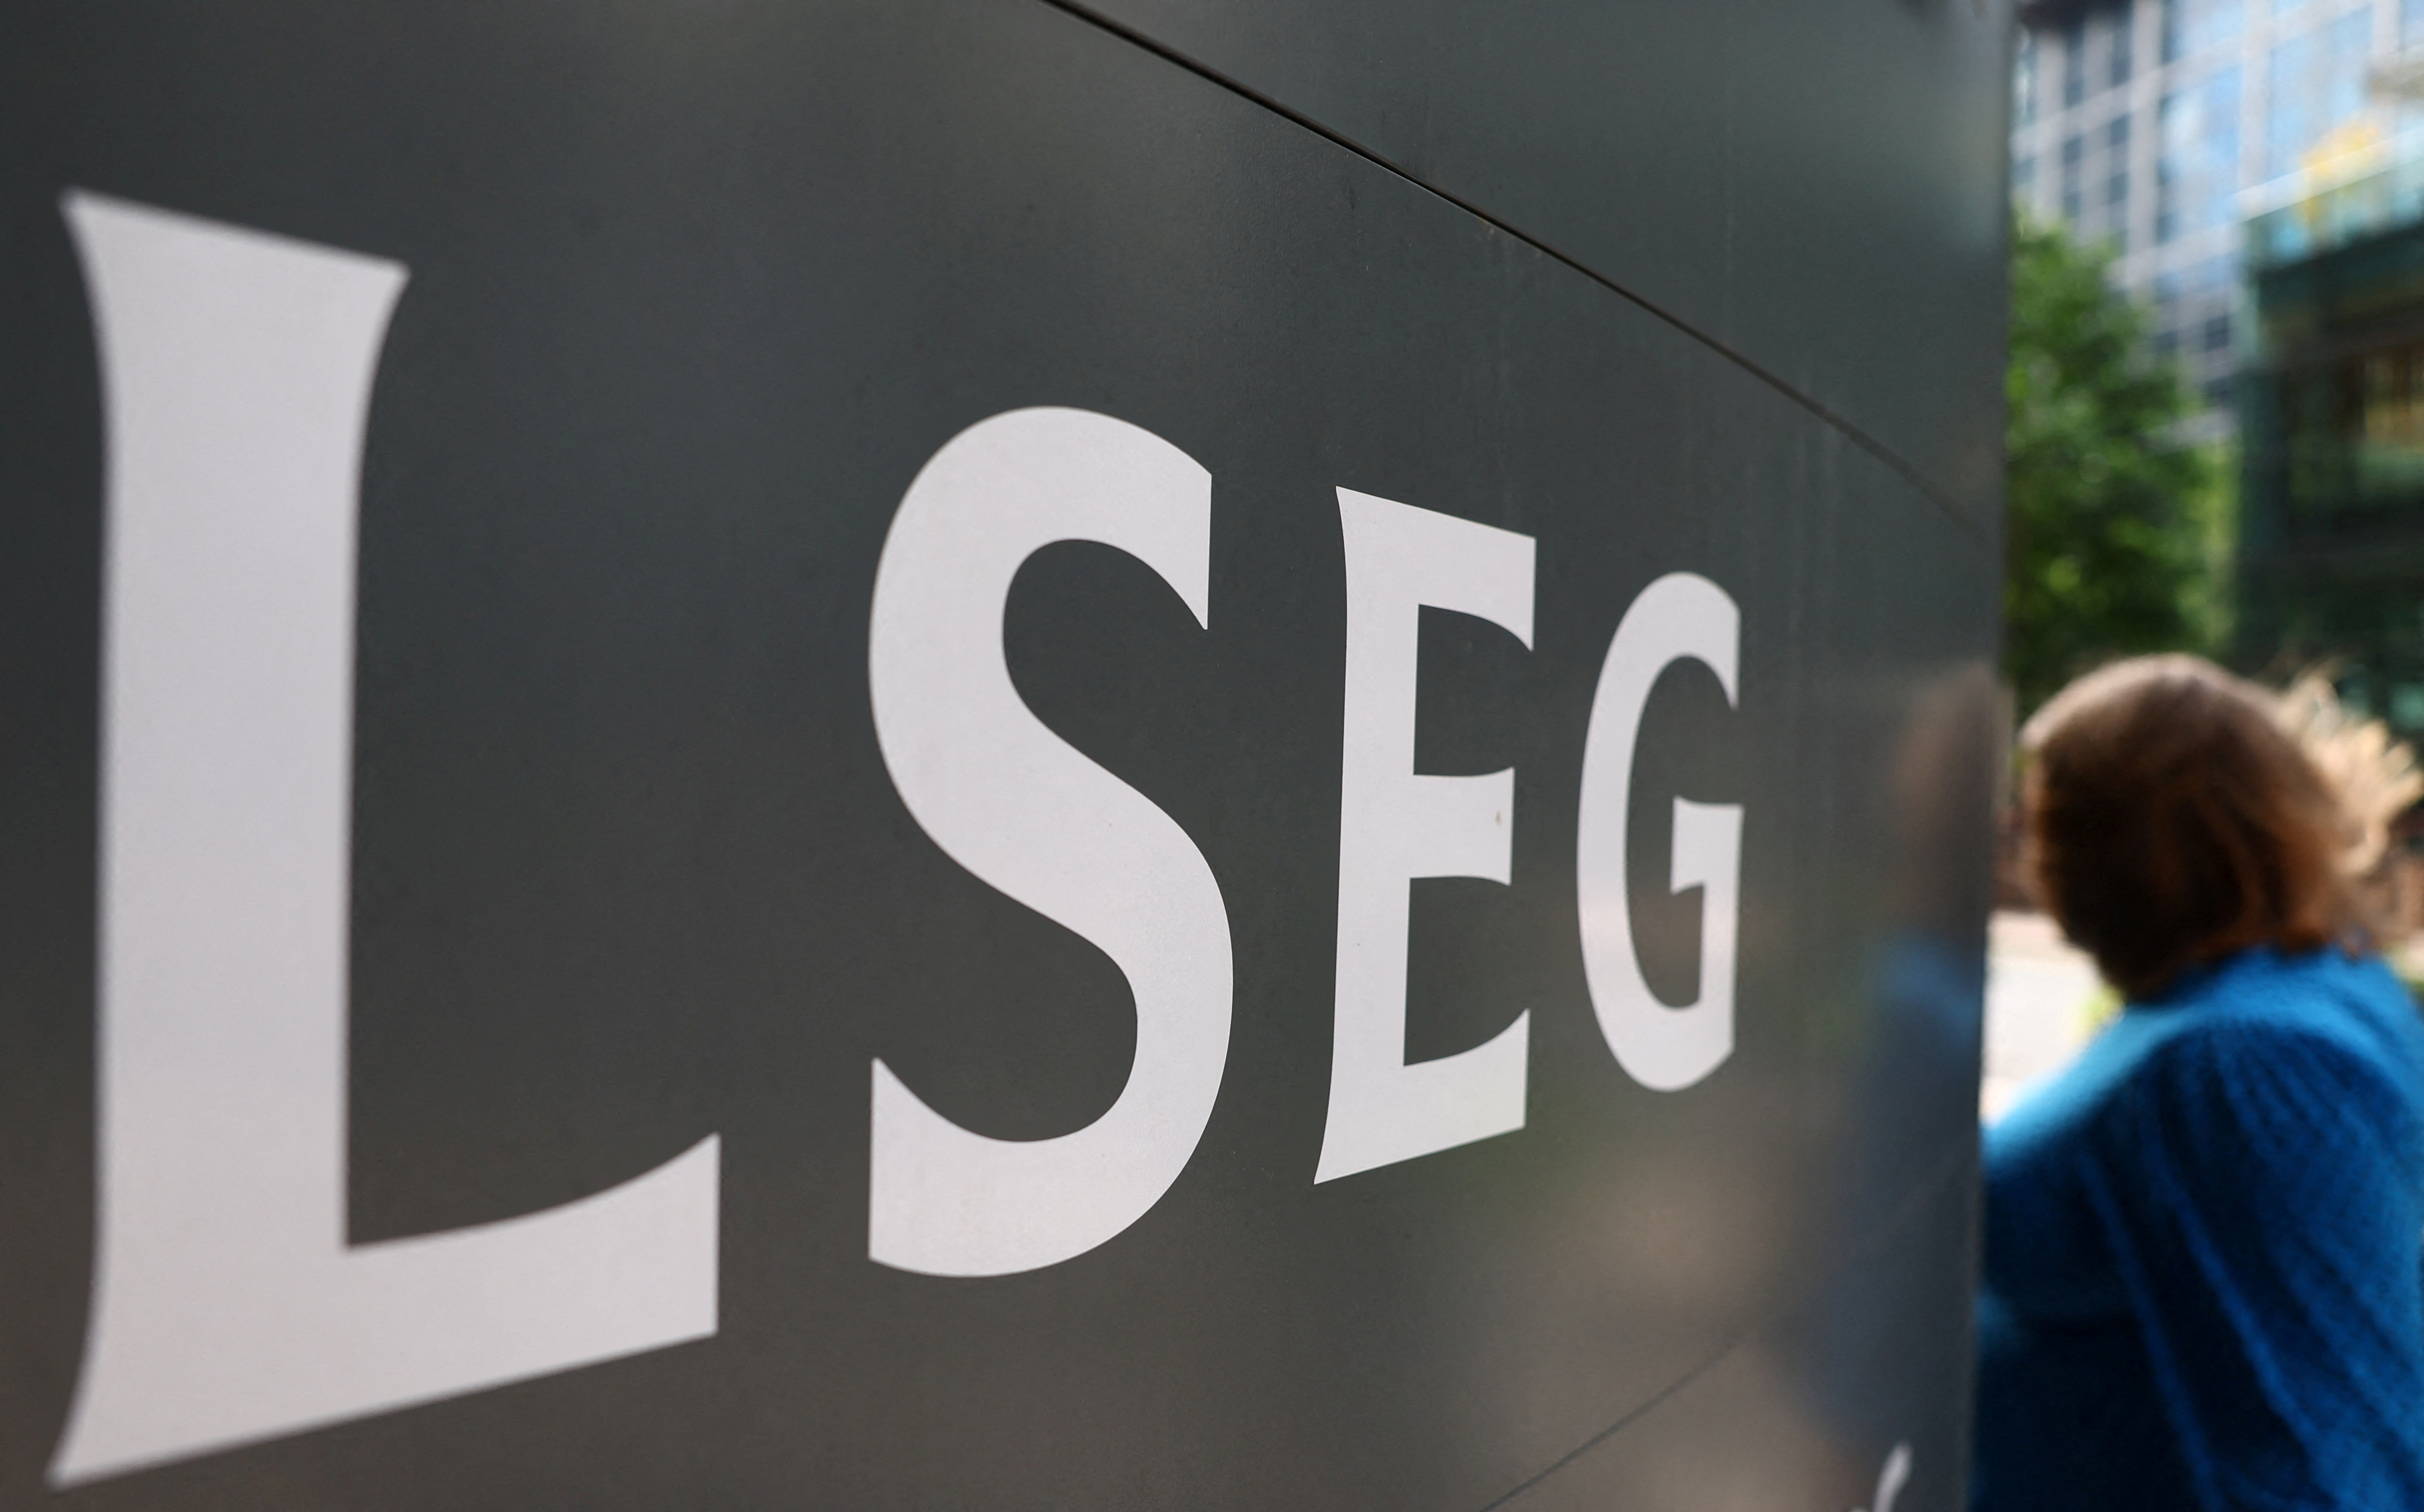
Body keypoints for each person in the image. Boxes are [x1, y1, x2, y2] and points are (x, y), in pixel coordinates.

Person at [1973, 654, 2424, 1511]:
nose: (2027, 852)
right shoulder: (2311, 978)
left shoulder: (2242, 1059)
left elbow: (2328, 1457)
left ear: (2118, 845)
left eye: (2039, 821)